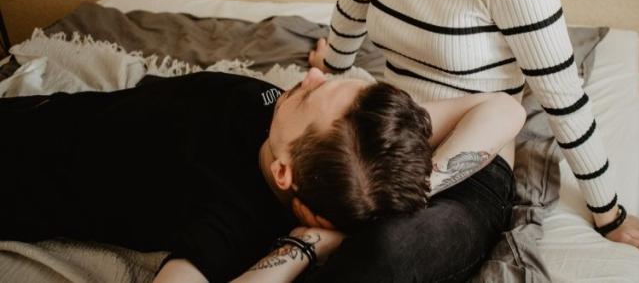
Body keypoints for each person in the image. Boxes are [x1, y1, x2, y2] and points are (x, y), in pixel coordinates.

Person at [308, 0, 639, 276]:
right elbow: (352, 8)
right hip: (385, 132)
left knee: (390, 251)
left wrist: (610, 214)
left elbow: (562, 94)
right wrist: (329, 69)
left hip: (473, 159)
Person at [0, 68, 524, 282]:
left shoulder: (229, 214)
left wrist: (307, 246)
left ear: (282, 169)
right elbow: (503, 109)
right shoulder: (353, 145)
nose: (313, 73)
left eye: (308, 95)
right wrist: (418, 188)